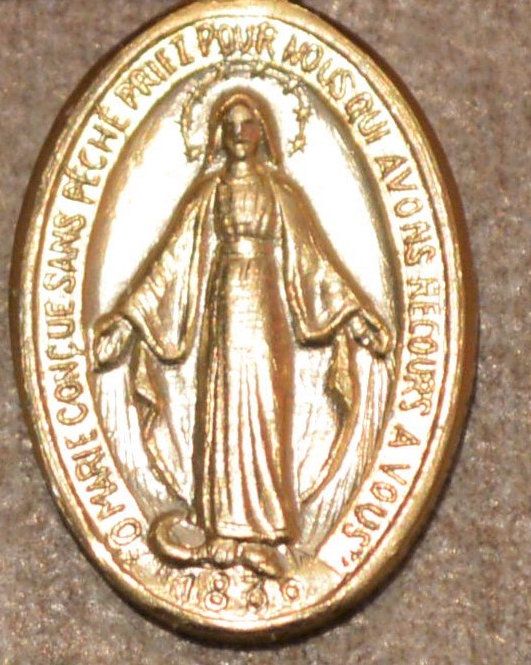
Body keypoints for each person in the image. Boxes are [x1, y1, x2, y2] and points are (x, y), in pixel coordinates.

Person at [92, 89, 390, 577]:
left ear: (262, 132)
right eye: (229, 126)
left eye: (247, 125)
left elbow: (313, 262)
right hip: (223, 302)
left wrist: (354, 316)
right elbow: (170, 260)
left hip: (266, 304)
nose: (238, 135)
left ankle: (266, 530)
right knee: (223, 403)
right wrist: (128, 321)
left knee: (265, 403)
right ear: (218, 136)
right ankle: (223, 529)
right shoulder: (209, 193)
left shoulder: (280, 193)